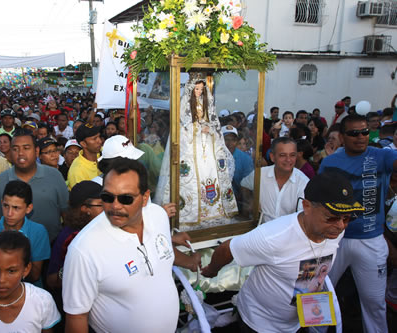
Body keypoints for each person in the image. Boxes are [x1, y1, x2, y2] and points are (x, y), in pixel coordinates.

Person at [202, 172, 364, 332]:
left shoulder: (335, 232)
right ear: (306, 206)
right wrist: (211, 270)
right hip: (260, 323)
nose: (341, 226)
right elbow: (227, 249)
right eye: (332, 217)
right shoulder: (273, 236)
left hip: (298, 320)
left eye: (347, 218)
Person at [62, 158, 200, 333]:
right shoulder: (83, 250)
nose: (115, 206)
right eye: (107, 197)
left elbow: (159, 251)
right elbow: (77, 317)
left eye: (126, 198)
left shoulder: (158, 216)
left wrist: (188, 260)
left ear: (145, 198)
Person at [319, 114, 397, 333]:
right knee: (320, 294)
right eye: (354, 133)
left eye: (364, 132)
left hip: (371, 240)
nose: (361, 137)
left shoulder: (381, 156)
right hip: (334, 239)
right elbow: (319, 198)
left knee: (374, 302)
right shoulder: (330, 162)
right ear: (343, 137)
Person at [154, 76, 238, 230]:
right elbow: (183, 127)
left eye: (201, 89)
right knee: (190, 178)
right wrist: (199, 129)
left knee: (209, 174)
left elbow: (214, 124)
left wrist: (209, 129)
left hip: (206, 146)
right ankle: (189, 214)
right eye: (196, 89)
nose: (199, 92)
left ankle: (212, 213)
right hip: (192, 147)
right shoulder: (185, 104)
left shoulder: (207, 105)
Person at [0, 129, 69, 242]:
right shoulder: (0, 181)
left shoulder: (54, 175)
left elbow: (66, 213)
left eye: (26, 148)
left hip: (52, 245)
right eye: (15, 149)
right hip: (12, 248)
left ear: (36, 151)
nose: (20, 153)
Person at [0, 181, 50, 286]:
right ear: (1, 202)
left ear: (28, 208)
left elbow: (35, 275)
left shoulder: (38, 231)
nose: (9, 213)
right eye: (6, 206)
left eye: (16, 208)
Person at [47, 180, 103, 291]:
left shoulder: (103, 227)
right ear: (85, 209)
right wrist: (69, 267)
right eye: (102, 204)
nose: (108, 207)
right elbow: (51, 280)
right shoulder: (70, 237)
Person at [241, 137, 310, 222]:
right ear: (272, 157)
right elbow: (244, 185)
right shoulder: (260, 174)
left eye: (292, 155)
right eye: (282, 155)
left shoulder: (303, 182)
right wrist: (251, 200)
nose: (288, 159)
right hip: (261, 230)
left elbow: (303, 217)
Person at [67, 124, 102, 190]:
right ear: (83, 144)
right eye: (95, 139)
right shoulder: (77, 171)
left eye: (99, 137)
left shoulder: (102, 153)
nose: (100, 141)